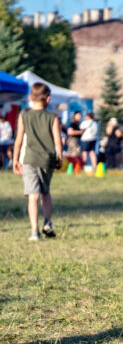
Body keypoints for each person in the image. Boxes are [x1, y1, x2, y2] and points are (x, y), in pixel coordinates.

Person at [12, 83, 62, 241]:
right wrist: (60, 157)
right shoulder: (53, 117)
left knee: (33, 196)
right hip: (47, 160)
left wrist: (15, 159)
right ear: (48, 99)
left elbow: (19, 140)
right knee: (45, 192)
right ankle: (47, 222)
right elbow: (58, 140)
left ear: (30, 98)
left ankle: (34, 231)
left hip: (29, 160)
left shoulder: (24, 116)